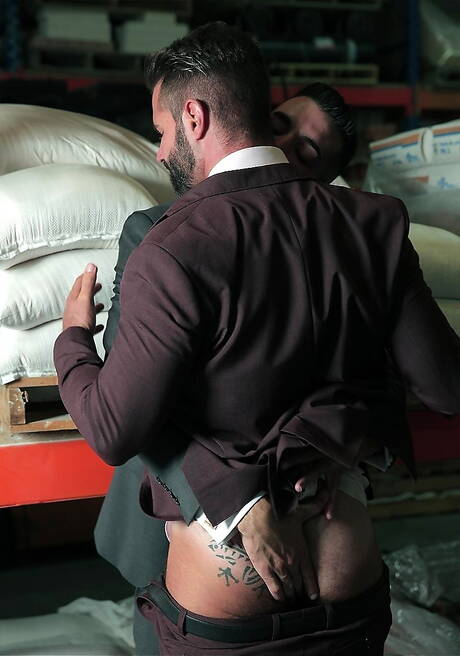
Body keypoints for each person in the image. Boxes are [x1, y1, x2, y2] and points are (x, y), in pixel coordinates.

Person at [53, 22, 460, 656]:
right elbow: (444, 386)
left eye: (162, 132)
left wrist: (73, 339)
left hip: (228, 609)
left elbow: (115, 428)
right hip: (349, 583)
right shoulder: (374, 223)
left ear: (194, 117)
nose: (160, 152)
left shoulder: (172, 245)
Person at [94, 81, 357, 655]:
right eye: (279, 125)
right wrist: (237, 504)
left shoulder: (348, 244)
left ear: (325, 182)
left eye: (306, 151)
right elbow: (132, 396)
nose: (281, 146)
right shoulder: (158, 232)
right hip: (178, 523)